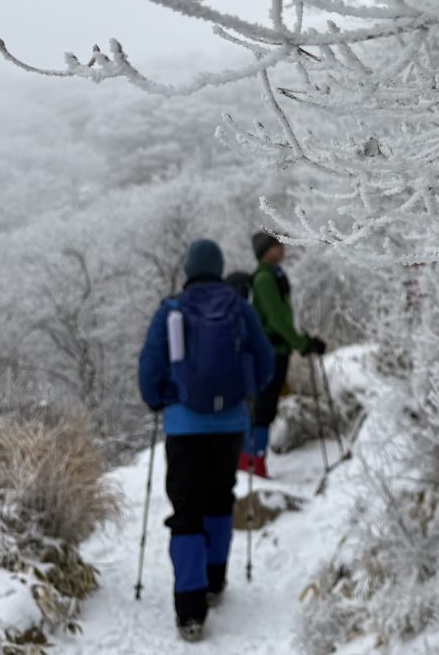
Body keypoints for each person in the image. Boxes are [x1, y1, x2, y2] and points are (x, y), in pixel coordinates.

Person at [138, 238, 275, 643]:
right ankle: (215, 582)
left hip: (185, 427)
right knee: (220, 501)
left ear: (188, 269)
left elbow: (149, 365)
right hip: (230, 425)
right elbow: (265, 361)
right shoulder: (240, 307)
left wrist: (158, 399)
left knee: (186, 512)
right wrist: (241, 393)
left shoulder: (171, 310)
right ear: (217, 268)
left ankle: (190, 610)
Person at [240, 231, 326, 478]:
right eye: (278, 244)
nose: (283, 247)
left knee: (264, 406)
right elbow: (277, 319)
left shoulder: (272, 276)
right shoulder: (265, 279)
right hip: (271, 352)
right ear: (267, 250)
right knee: (264, 407)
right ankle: (253, 460)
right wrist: (302, 343)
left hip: (276, 350)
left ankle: (253, 458)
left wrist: (300, 341)